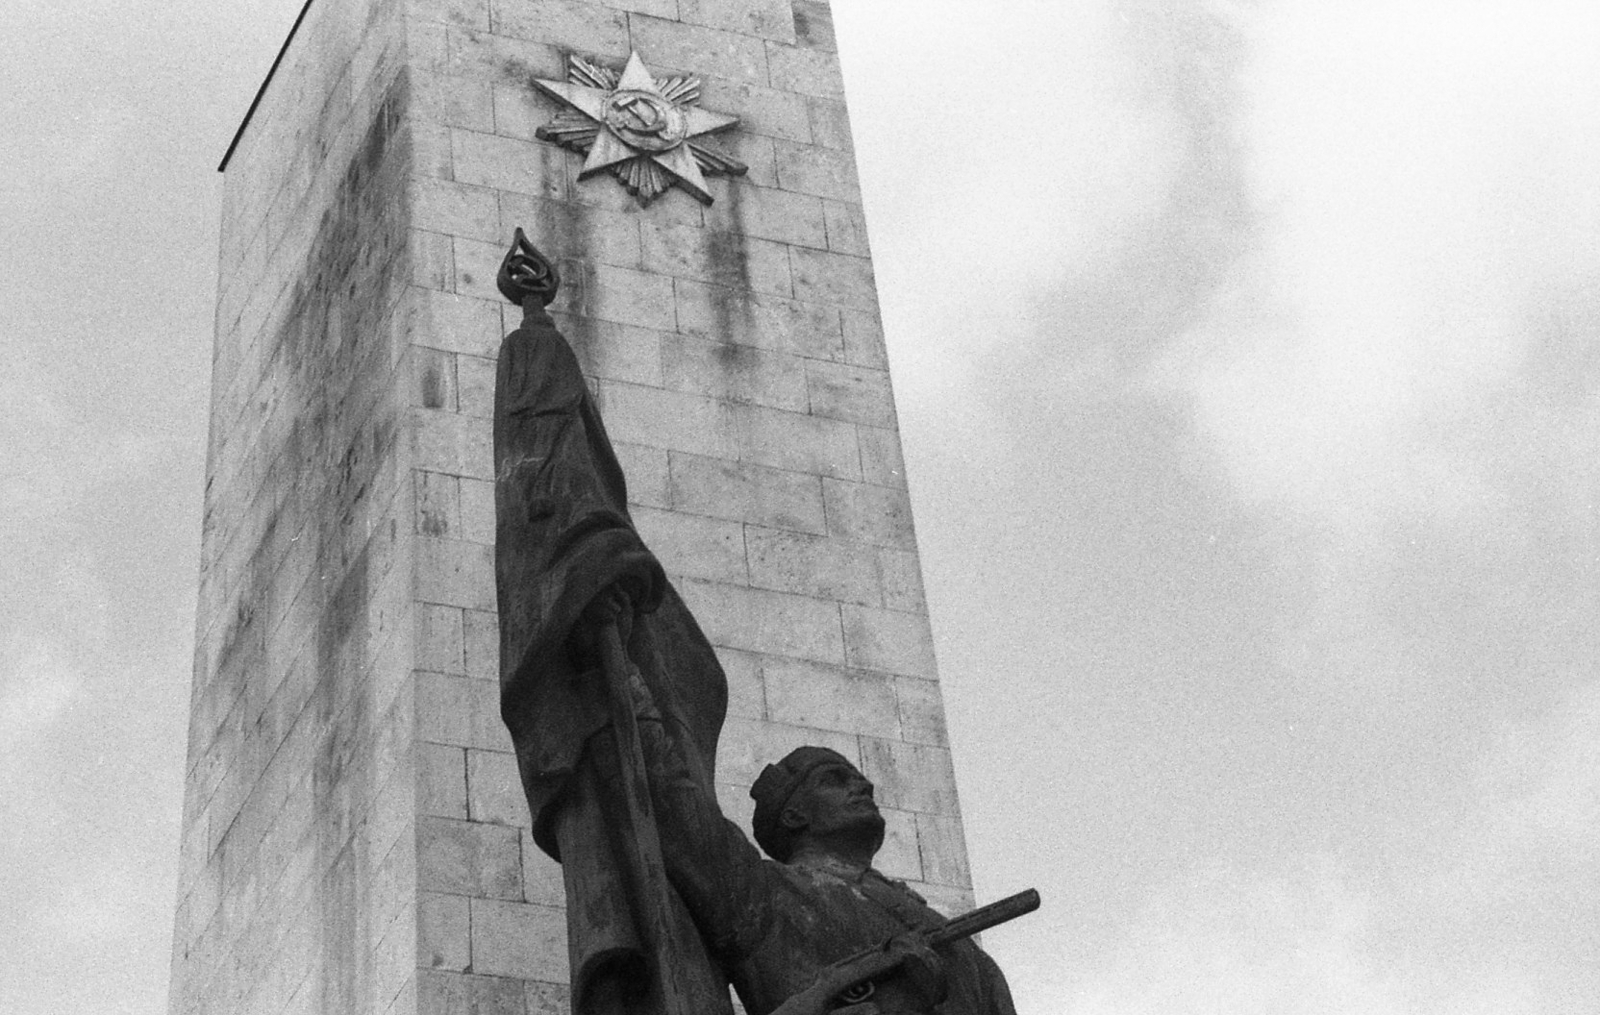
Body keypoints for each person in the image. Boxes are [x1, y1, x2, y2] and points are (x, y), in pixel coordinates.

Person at [576, 592, 1019, 1015]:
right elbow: (672, 800)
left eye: (858, 775)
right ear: (793, 814)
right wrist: (617, 669)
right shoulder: (767, 893)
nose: (863, 784)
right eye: (834, 779)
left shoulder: (962, 948)